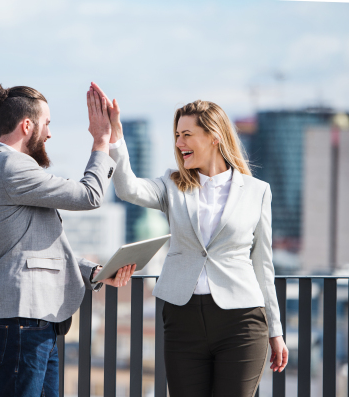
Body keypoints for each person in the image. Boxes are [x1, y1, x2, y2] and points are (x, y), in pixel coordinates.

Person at [89, 82, 288, 397]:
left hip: (241, 321)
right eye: (176, 135)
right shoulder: (172, 184)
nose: (179, 143)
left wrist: (276, 331)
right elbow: (128, 188)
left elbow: (263, 264)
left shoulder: (257, 191)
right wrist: (114, 137)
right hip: (183, 318)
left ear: (213, 136)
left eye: (187, 135)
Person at [0, 82, 136, 397]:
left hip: (32, 322)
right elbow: (90, 195)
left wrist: (95, 272)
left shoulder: (9, 168)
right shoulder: (11, 166)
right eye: (47, 124)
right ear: (27, 125)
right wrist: (101, 140)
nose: (49, 133)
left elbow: (34, 249)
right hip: (20, 321)